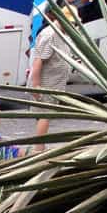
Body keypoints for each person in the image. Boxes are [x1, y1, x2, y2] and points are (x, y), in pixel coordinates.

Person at [28, 14, 74, 152]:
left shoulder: (62, 33)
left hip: (55, 84)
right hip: (46, 84)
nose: (73, 25)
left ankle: (40, 146)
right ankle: (38, 149)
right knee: (45, 115)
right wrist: (36, 87)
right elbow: (38, 61)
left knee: (45, 116)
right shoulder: (50, 34)